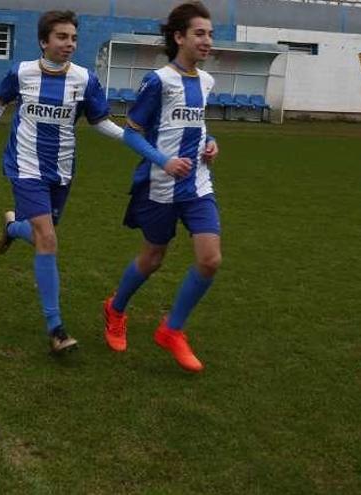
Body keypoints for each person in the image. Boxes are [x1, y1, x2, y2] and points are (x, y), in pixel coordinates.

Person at [0, 10, 124, 354]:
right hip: (25, 167)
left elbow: (99, 121)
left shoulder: (84, 79)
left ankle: (11, 228)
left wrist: (130, 139)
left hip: (61, 170)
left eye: (73, 38)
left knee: (43, 236)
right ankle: (56, 328)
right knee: (48, 237)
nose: (69, 44)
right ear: (44, 41)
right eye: (62, 37)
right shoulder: (22, 72)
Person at [102, 1, 221, 373]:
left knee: (210, 259)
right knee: (153, 258)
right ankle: (115, 308)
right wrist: (163, 161)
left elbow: (195, 126)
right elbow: (132, 134)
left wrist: (212, 142)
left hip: (198, 184)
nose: (207, 41)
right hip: (161, 186)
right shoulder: (158, 81)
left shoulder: (206, 81)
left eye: (210, 34)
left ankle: (172, 329)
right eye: (200, 33)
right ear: (179, 36)